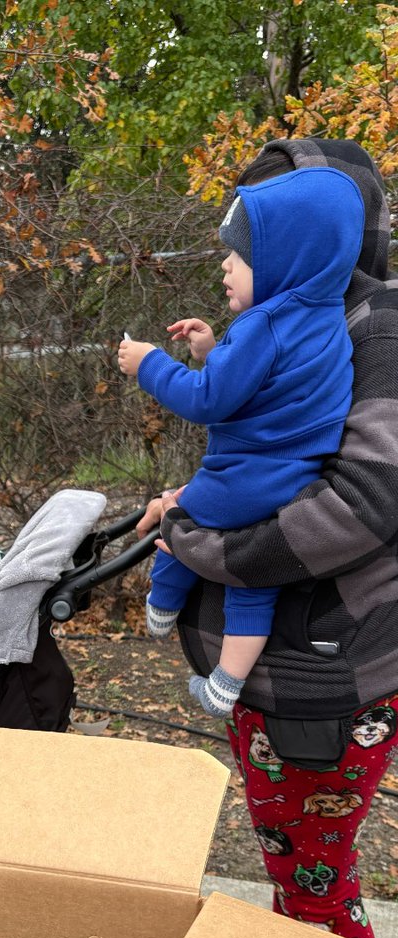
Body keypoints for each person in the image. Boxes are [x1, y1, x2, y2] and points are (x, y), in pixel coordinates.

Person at [136, 136, 398, 938]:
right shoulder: (303, 318)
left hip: (324, 675)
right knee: (303, 872)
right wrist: (187, 504)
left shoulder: (377, 330)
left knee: (314, 891)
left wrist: (196, 541)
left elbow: (361, 503)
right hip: (288, 668)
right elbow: (265, 449)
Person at [118, 166, 364, 718]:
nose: (226, 265)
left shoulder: (265, 324)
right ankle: (226, 685)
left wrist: (150, 364)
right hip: (295, 481)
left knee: (180, 514)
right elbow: (267, 385)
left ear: (285, 262)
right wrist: (210, 348)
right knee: (253, 582)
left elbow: (209, 401)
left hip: (244, 477)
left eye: (239, 257)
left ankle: (161, 605)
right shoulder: (324, 315)